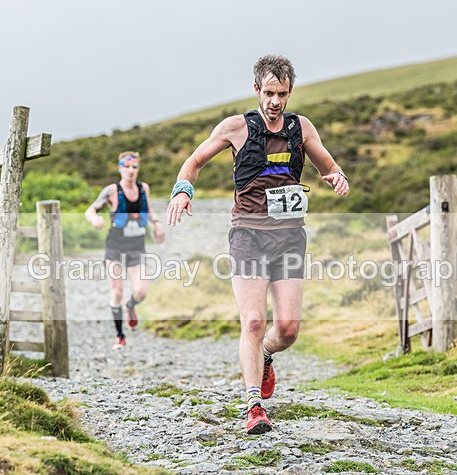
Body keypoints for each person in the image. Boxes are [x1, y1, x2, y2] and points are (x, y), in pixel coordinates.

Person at [166, 55, 349, 434]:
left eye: (282, 94)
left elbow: (327, 165)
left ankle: (266, 354)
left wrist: (337, 177)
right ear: (256, 90)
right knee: (252, 320)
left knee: (289, 329)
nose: (275, 102)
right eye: (268, 93)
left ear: (290, 92)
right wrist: (183, 190)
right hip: (248, 236)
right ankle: (253, 406)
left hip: (289, 238)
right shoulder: (236, 127)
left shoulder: (302, 128)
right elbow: (194, 161)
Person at [86, 151, 166, 349]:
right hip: (114, 247)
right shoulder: (112, 190)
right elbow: (91, 209)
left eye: (135, 167)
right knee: (117, 291)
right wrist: (95, 219)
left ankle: (131, 306)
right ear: (120, 167)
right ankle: (119, 335)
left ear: (138, 168)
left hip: (136, 246)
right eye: (127, 166)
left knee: (141, 291)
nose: (131, 170)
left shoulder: (143, 188)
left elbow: (149, 208)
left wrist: (157, 224)